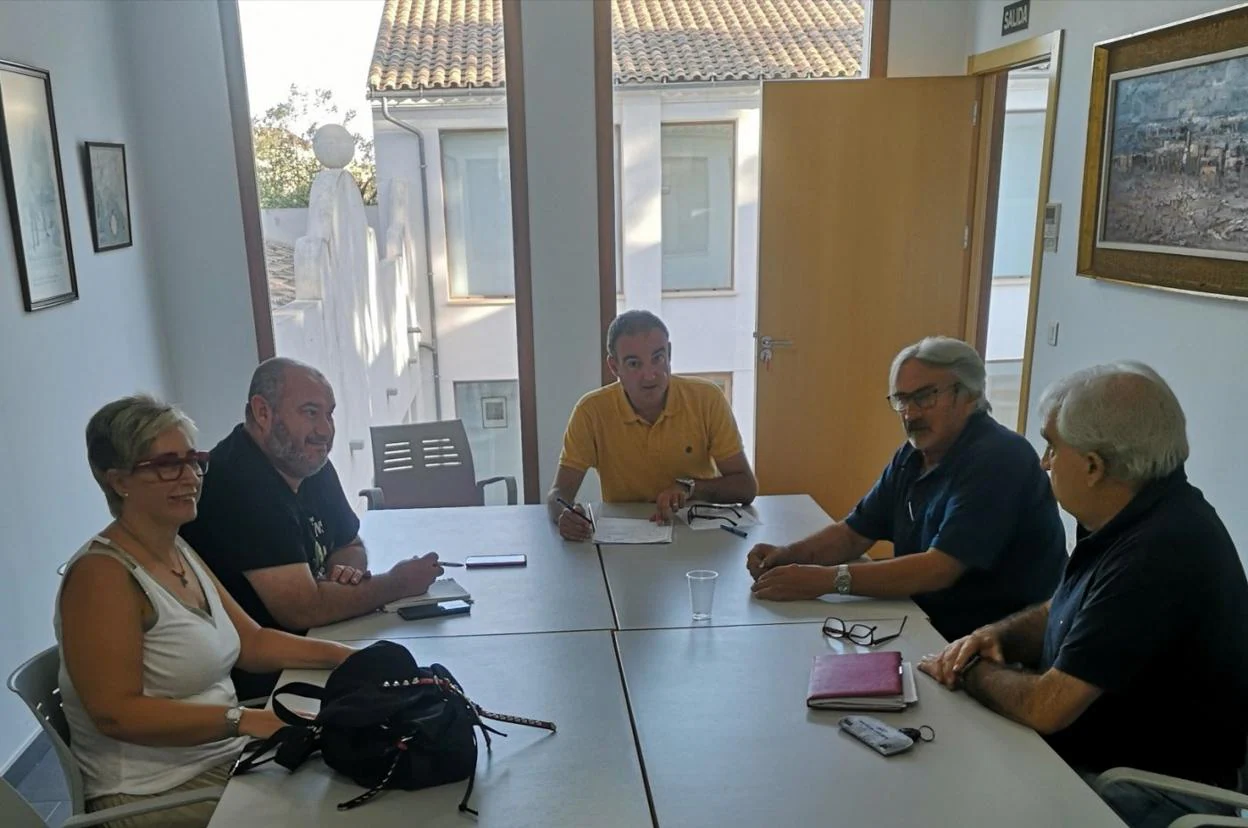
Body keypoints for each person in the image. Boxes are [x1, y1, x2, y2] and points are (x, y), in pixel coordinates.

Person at [919, 364, 1248, 828]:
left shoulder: (1158, 554)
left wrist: (968, 669)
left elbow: (1046, 707)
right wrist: (998, 636)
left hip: (1142, 791)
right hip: (1094, 763)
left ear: (1093, 467)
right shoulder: (1129, 513)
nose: (1044, 461)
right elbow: (1066, 608)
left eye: (1052, 446)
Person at [58, 395, 355, 828]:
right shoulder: (101, 576)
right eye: (166, 465)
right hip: (156, 795)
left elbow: (251, 642)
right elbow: (115, 713)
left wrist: (347, 656)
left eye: (194, 460)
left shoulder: (176, 547)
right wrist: (245, 721)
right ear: (119, 480)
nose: (191, 476)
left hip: (225, 763)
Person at [747, 336, 1066, 641]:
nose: (910, 414)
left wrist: (827, 580)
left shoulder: (999, 458)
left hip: (1002, 641)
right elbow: (853, 534)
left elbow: (938, 569)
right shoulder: (913, 454)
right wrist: (787, 557)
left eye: (924, 397)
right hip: (927, 622)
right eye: (901, 399)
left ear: (968, 395)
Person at [180, 358, 442, 698]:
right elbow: (301, 608)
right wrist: (399, 583)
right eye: (310, 412)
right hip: (262, 686)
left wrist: (344, 574)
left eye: (329, 414)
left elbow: (350, 542)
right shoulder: (239, 482)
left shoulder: (308, 462)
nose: (325, 431)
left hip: (318, 647)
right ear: (262, 412)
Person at [547, 310, 758, 541]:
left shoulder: (707, 399)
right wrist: (564, 516)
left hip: (698, 535)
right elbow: (558, 493)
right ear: (614, 366)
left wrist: (690, 489)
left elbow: (746, 487)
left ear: (669, 353)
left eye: (658, 358)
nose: (650, 376)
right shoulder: (591, 411)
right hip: (625, 541)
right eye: (634, 364)